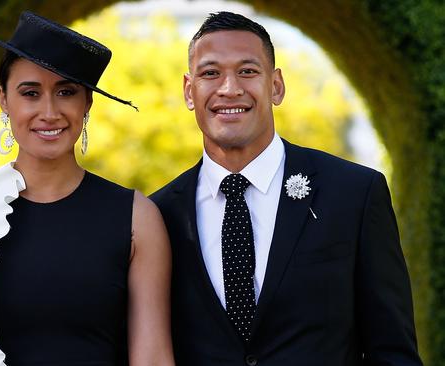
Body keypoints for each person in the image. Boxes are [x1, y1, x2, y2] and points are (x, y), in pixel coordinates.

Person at [150, 11, 422, 366]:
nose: (229, 88)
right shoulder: (159, 215)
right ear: (190, 91)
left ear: (276, 85)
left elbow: (394, 351)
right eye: (210, 73)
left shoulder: (355, 194)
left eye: (247, 71)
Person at [0, 11, 174, 366]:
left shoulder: (136, 218)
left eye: (66, 92)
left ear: (87, 103)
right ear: (4, 100)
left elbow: (153, 359)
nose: (49, 112)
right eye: (30, 93)